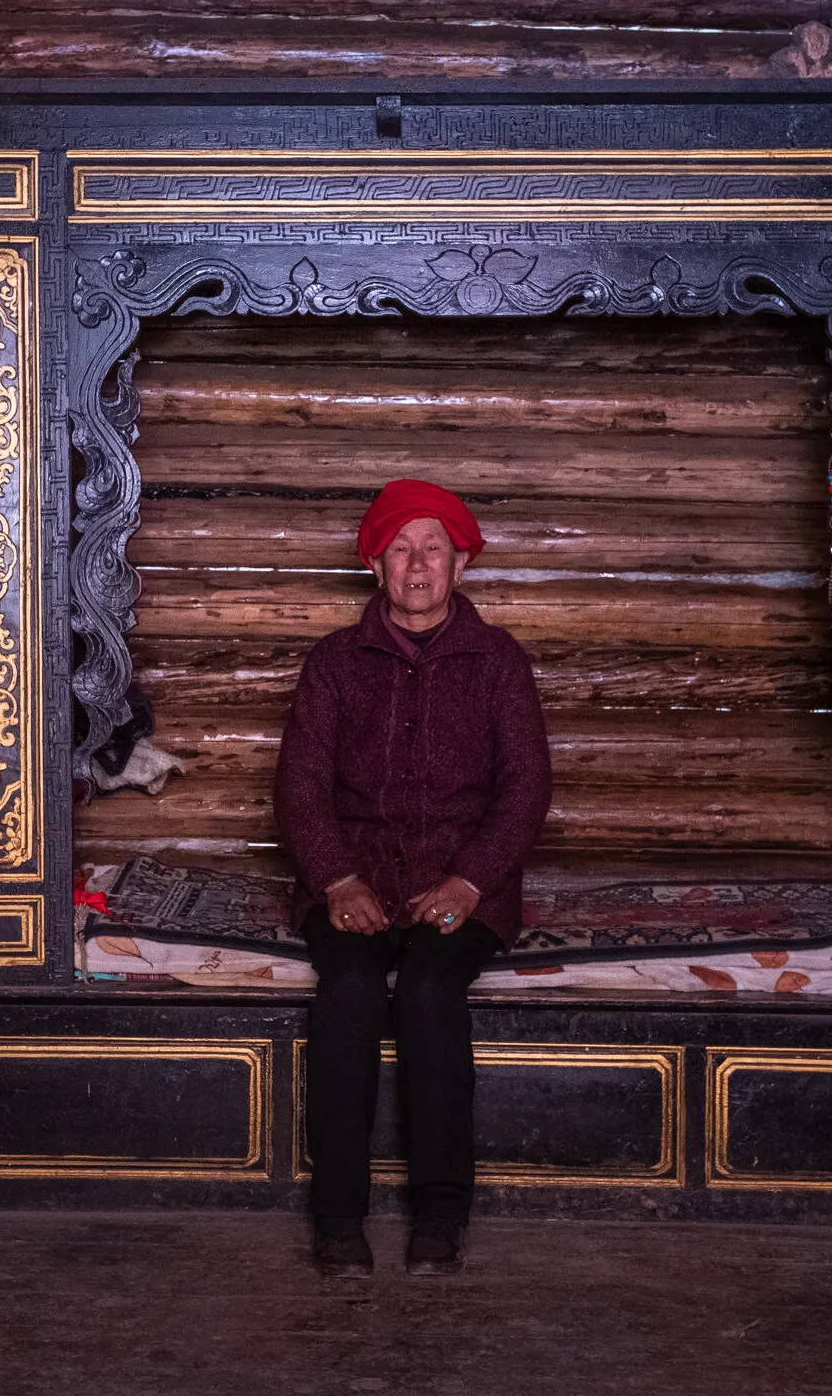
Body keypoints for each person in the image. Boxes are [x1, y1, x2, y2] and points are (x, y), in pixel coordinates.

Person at [274, 479, 553, 1278]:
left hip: (462, 885)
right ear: (376, 566)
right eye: (401, 549)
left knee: (431, 992)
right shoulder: (335, 662)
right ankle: (336, 1220)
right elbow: (299, 786)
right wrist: (335, 880)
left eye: (433, 548)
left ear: (460, 564)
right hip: (352, 884)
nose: (418, 564)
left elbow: (527, 787)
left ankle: (439, 1213)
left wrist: (469, 882)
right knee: (352, 992)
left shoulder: (497, 661)